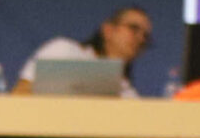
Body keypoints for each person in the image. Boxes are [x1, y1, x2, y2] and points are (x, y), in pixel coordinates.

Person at [16, 6, 151, 96]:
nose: (140, 38)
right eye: (133, 29)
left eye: (145, 36)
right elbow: (21, 95)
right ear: (108, 30)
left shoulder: (129, 95)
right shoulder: (65, 52)